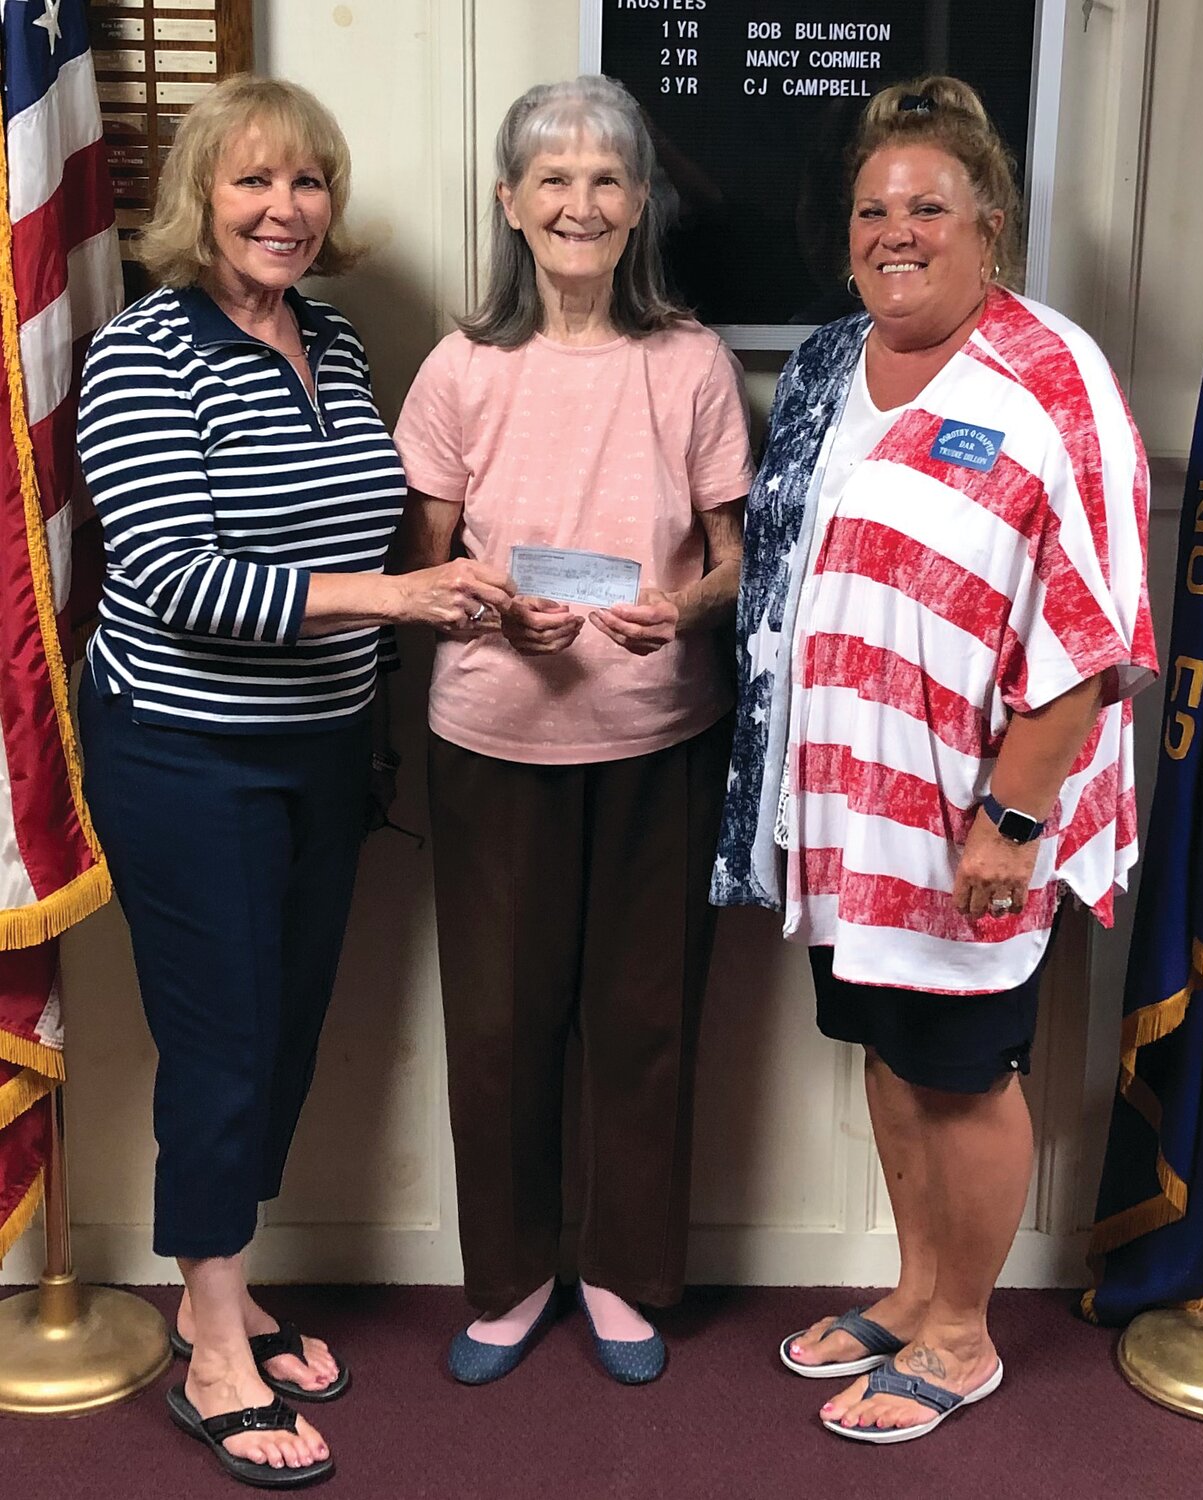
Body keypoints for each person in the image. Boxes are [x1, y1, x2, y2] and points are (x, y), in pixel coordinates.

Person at [76, 75, 512, 1486]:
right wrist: (396, 600)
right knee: (221, 1042)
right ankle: (211, 1348)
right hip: (183, 751)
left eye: (308, 182)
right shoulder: (144, 355)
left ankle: (231, 1280)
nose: (284, 208)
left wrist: (485, 587)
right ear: (199, 199)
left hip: (322, 747)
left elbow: (374, 521)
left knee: (286, 1029)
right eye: (253, 182)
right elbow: (175, 576)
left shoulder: (328, 333)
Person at [712, 76, 1156, 1442]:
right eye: (871, 209)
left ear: (988, 227)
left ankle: (963, 1333)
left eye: (927, 208)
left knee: (963, 1070)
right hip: (847, 802)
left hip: (974, 810)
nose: (894, 230)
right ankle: (914, 1291)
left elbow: (1092, 627)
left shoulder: (1047, 374)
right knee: (891, 1053)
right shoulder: (833, 362)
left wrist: (1010, 823)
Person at [394, 74, 753, 1386]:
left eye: (605, 178)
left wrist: (686, 610)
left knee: (644, 1021)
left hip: (660, 739)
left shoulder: (693, 361)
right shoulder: (461, 367)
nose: (580, 202)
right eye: (553, 179)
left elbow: (730, 559)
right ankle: (508, 1278)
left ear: (639, 201)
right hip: (493, 745)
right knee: (496, 1026)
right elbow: (423, 572)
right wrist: (490, 613)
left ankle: (620, 1275)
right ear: (511, 203)